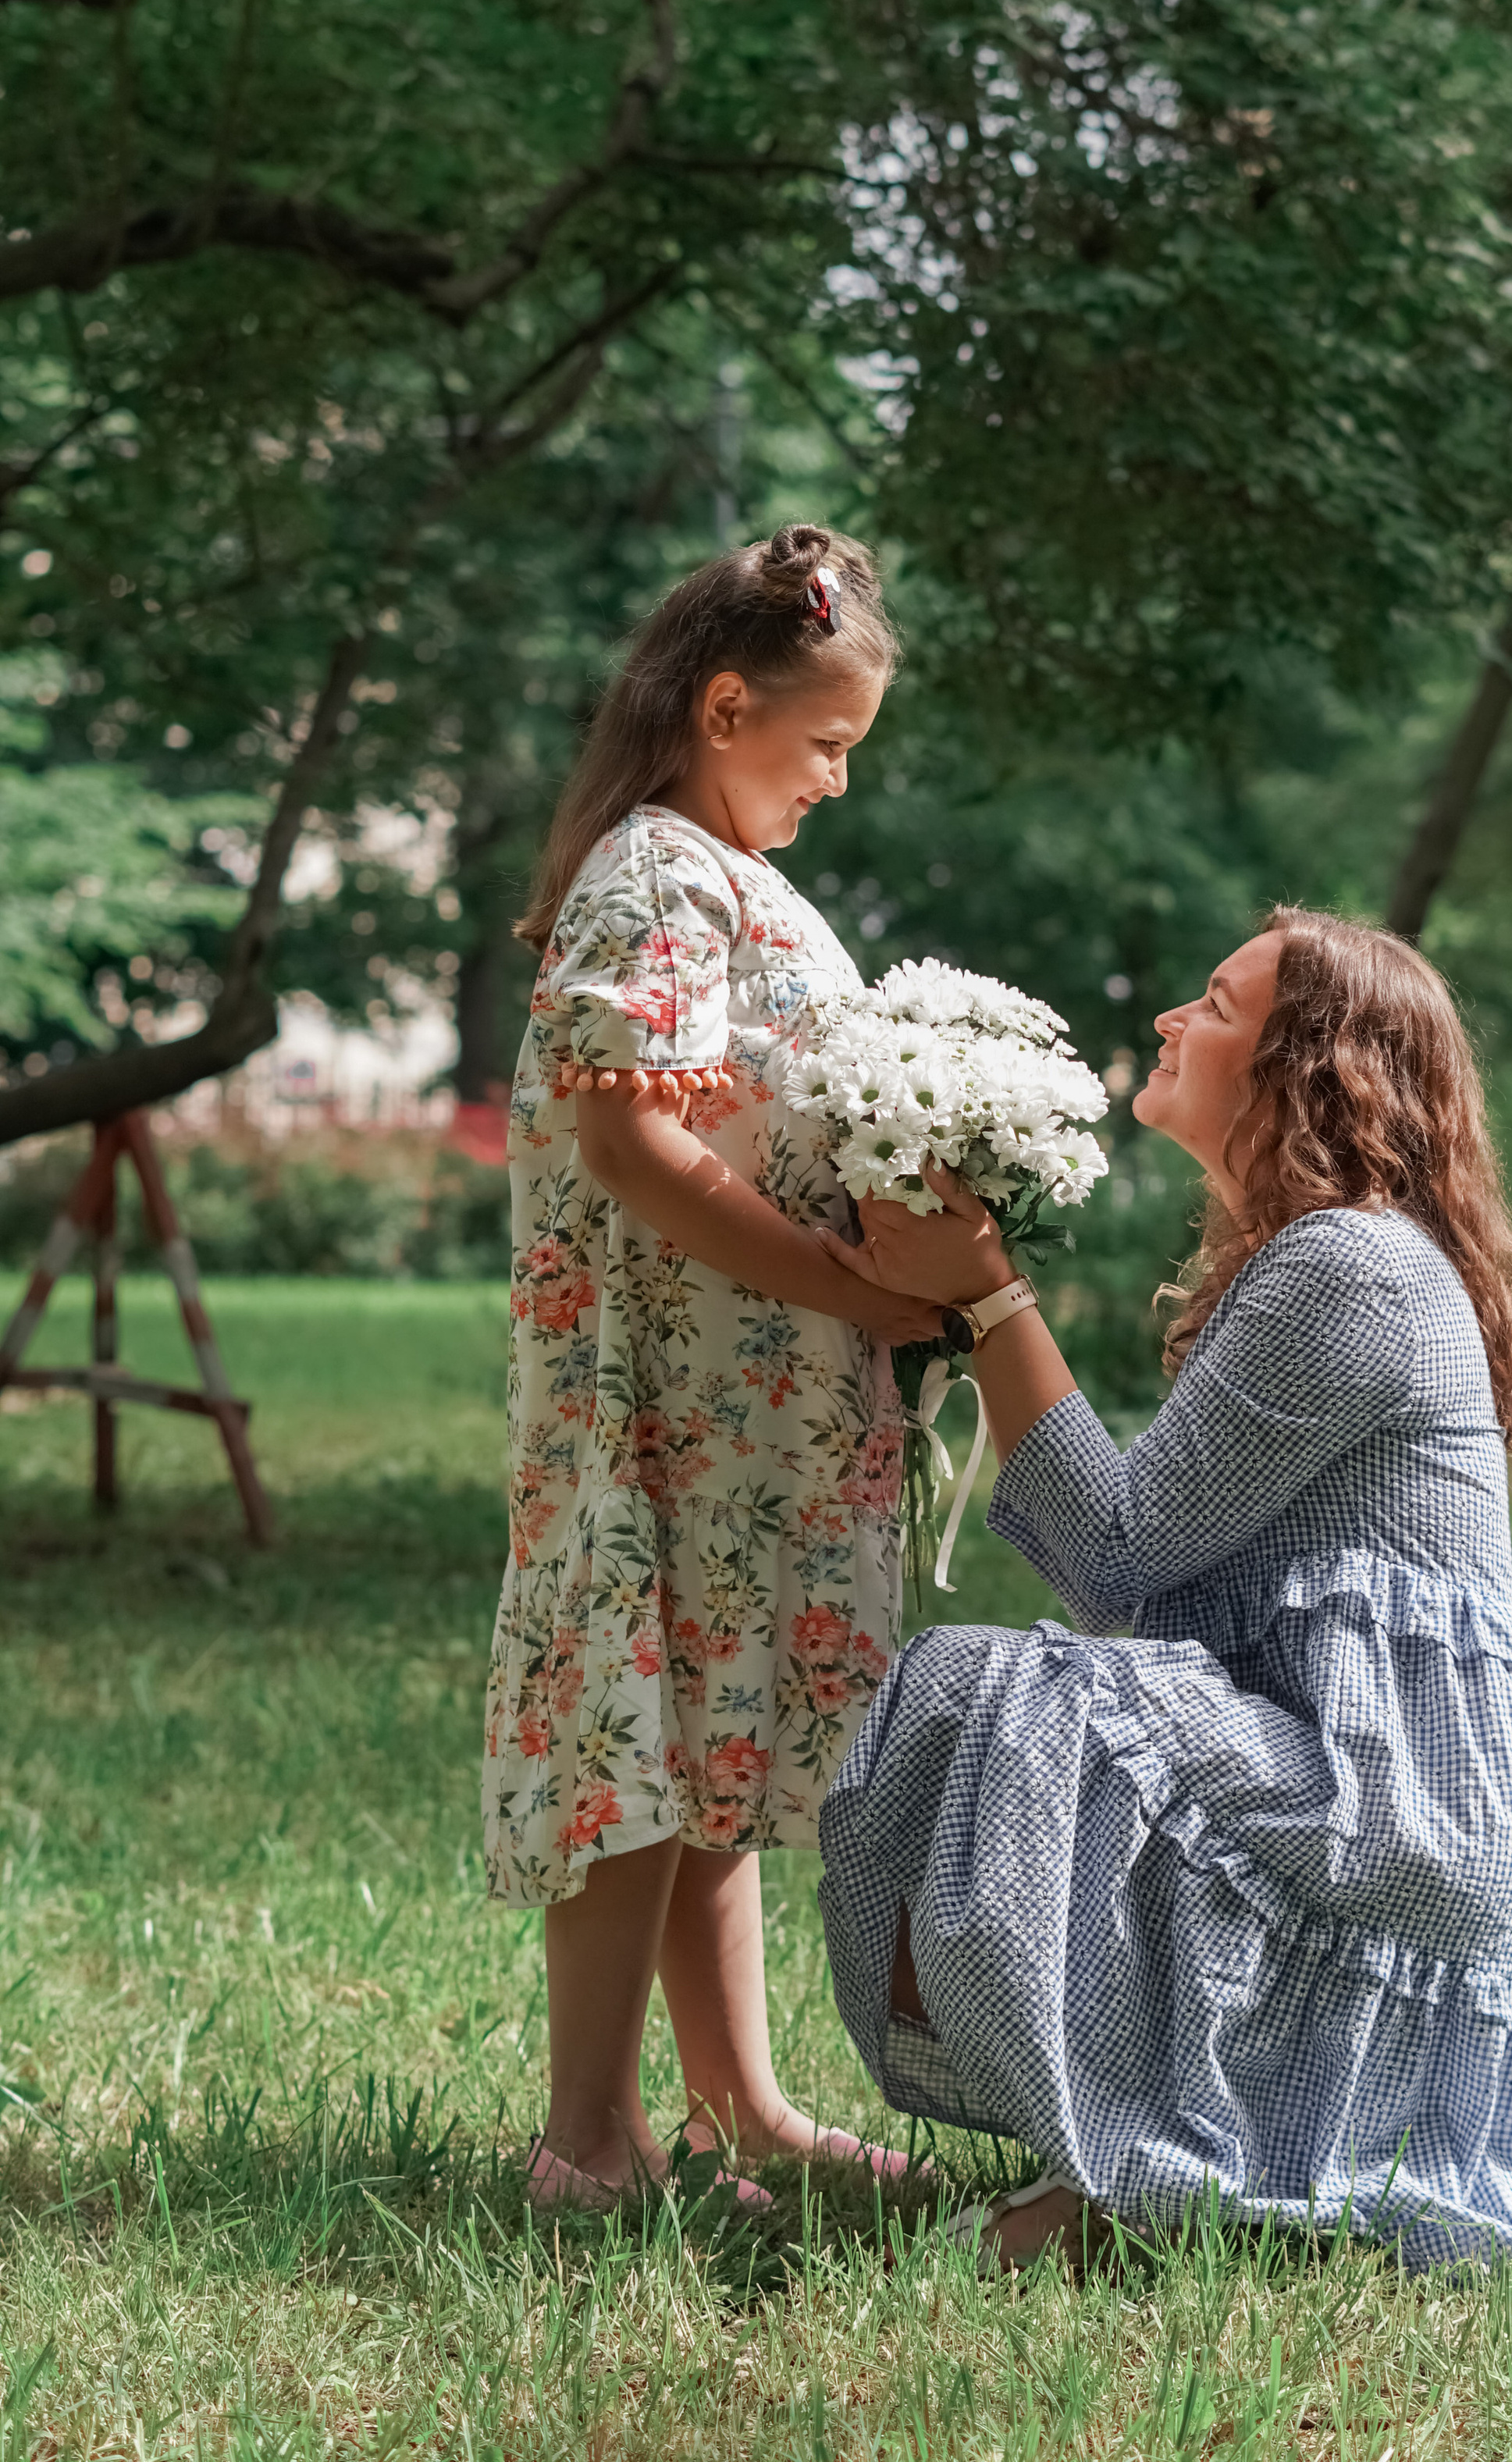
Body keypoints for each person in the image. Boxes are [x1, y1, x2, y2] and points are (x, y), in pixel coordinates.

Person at [814, 911, 1512, 2268]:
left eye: (1218, 1005)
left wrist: (993, 1298)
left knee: (993, 1692)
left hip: (1409, 1822)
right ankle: (1138, 2156)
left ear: (1312, 1065)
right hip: (1379, 1796)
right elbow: (1162, 1601)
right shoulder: (1320, 1259)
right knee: (1026, 1701)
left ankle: (1149, 2176)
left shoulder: (1348, 1266)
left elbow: (1117, 1556)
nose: (1175, 1018)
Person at [484, 522, 942, 2209]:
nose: (835, 781)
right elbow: (635, 1146)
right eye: (824, 744)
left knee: (703, 1747)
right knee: (640, 1747)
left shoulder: (715, 870)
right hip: (669, 1402)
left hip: (737, 1403)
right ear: (728, 704)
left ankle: (736, 2104)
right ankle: (586, 2139)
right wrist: (844, 1278)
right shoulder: (660, 874)